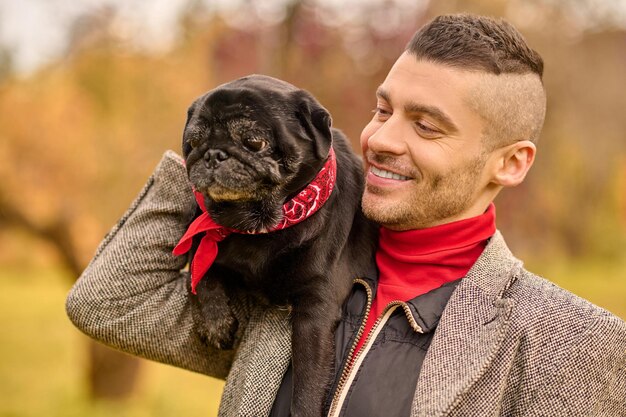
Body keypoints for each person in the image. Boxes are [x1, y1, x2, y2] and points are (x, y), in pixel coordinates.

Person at [66, 13, 626, 417]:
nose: (381, 139)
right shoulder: (281, 266)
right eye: (383, 109)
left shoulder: (576, 345)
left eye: (425, 125)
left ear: (510, 163)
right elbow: (107, 302)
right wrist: (217, 171)